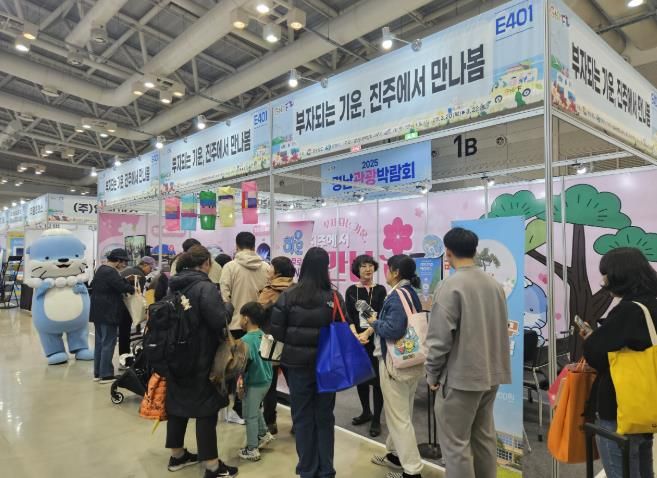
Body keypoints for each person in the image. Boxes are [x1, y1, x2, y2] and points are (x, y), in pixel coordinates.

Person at [425, 228, 510, 478]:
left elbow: (439, 340)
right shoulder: (494, 285)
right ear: (475, 250)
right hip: (491, 374)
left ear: (448, 252)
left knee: (455, 445)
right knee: (484, 438)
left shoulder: (449, 286)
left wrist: (432, 374)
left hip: (461, 378)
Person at [164, 245, 238, 478]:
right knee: (206, 409)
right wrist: (228, 306)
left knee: (177, 406)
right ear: (206, 263)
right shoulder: (205, 287)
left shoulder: (173, 285)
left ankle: (177, 455)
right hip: (201, 357)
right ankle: (213, 466)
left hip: (174, 356)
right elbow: (218, 320)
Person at [583, 247, 657, 478]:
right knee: (643, 468)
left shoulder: (629, 310)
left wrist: (591, 338)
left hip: (620, 407)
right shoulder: (651, 302)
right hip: (645, 404)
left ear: (619, 275)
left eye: (606, 274)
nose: (604, 280)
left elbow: (596, 354)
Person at [270, 247, 344, 478]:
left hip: (297, 367)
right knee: (324, 417)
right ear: (325, 268)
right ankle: (326, 470)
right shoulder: (334, 297)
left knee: (302, 417)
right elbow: (342, 329)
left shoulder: (288, 296)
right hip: (327, 367)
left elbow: (277, 332)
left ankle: (307, 469)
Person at [367, 255, 424, 478]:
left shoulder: (396, 296)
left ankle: (412, 470)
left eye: (388, 269)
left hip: (394, 364)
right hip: (410, 360)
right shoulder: (410, 293)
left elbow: (393, 329)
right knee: (401, 413)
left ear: (396, 272)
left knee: (399, 419)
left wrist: (374, 322)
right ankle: (394, 454)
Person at [220, 232, 271, 424]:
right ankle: (253, 407)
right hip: (259, 326)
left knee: (234, 368)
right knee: (256, 368)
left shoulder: (230, 267)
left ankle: (235, 409)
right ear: (254, 246)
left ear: (237, 246)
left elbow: (224, 297)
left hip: (235, 324)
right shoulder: (266, 267)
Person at [345, 254, 387, 437]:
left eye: (370, 265)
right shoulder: (351, 290)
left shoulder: (380, 290)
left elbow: (382, 315)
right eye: (363, 266)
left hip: (375, 339)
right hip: (358, 341)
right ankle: (366, 412)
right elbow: (348, 316)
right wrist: (356, 335)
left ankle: (376, 418)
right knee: (361, 378)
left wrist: (367, 333)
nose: (368, 269)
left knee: (377, 382)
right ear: (357, 269)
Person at [257, 256, 296, 435]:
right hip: (292, 342)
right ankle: (298, 422)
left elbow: (258, 313)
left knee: (269, 385)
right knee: (295, 385)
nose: (268, 269)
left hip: (271, 341)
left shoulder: (269, 291)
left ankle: (270, 423)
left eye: (271, 267)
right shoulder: (296, 289)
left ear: (278, 271)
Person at [89, 249, 135, 383]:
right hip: (109, 312)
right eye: (124, 262)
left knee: (100, 343)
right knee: (109, 343)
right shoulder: (111, 272)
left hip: (98, 312)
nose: (125, 265)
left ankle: (98, 373)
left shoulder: (101, 270)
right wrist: (129, 285)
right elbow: (124, 288)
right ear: (118, 260)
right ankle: (106, 374)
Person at [237, 302, 275, 462]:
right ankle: (264, 434)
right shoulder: (264, 335)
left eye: (240, 317)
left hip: (254, 382)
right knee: (255, 408)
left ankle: (252, 449)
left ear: (246, 319)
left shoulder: (244, 341)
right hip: (267, 380)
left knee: (250, 415)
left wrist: (240, 383)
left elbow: (242, 366)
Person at [118, 256, 156, 360]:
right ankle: (124, 356)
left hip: (120, 304)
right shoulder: (140, 275)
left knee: (122, 332)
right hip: (128, 307)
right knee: (125, 332)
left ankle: (122, 354)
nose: (150, 271)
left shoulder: (127, 270)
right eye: (150, 268)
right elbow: (137, 294)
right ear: (145, 265)